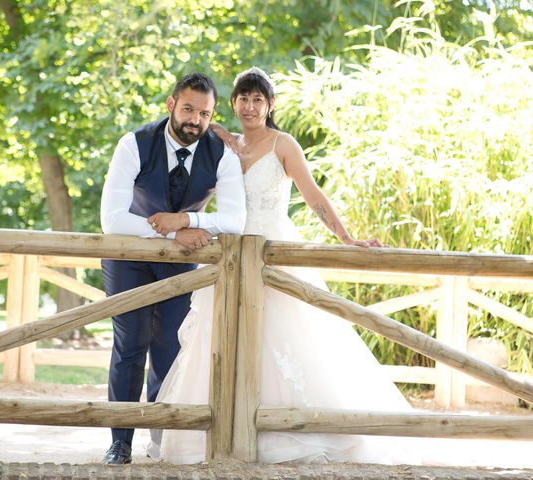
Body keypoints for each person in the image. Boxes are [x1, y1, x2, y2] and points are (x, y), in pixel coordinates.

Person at [149, 68, 527, 467]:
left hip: (274, 252)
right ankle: (222, 427)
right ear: (233, 103)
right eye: (243, 98)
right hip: (231, 254)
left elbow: (314, 196)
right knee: (224, 336)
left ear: (270, 105)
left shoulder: (283, 144)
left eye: (258, 99)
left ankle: (291, 430)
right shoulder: (225, 144)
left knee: (288, 336)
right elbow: (202, 140)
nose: (250, 106)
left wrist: (347, 238)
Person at [100, 72, 246, 464]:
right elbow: (112, 220)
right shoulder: (133, 144)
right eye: (187, 109)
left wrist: (190, 223)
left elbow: (236, 220)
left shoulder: (223, 153)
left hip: (181, 264)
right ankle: (120, 440)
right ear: (170, 105)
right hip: (128, 259)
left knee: (170, 348)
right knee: (129, 346)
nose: (194, 120)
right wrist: (171, 233)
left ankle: (162, 439)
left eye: (204, 113)